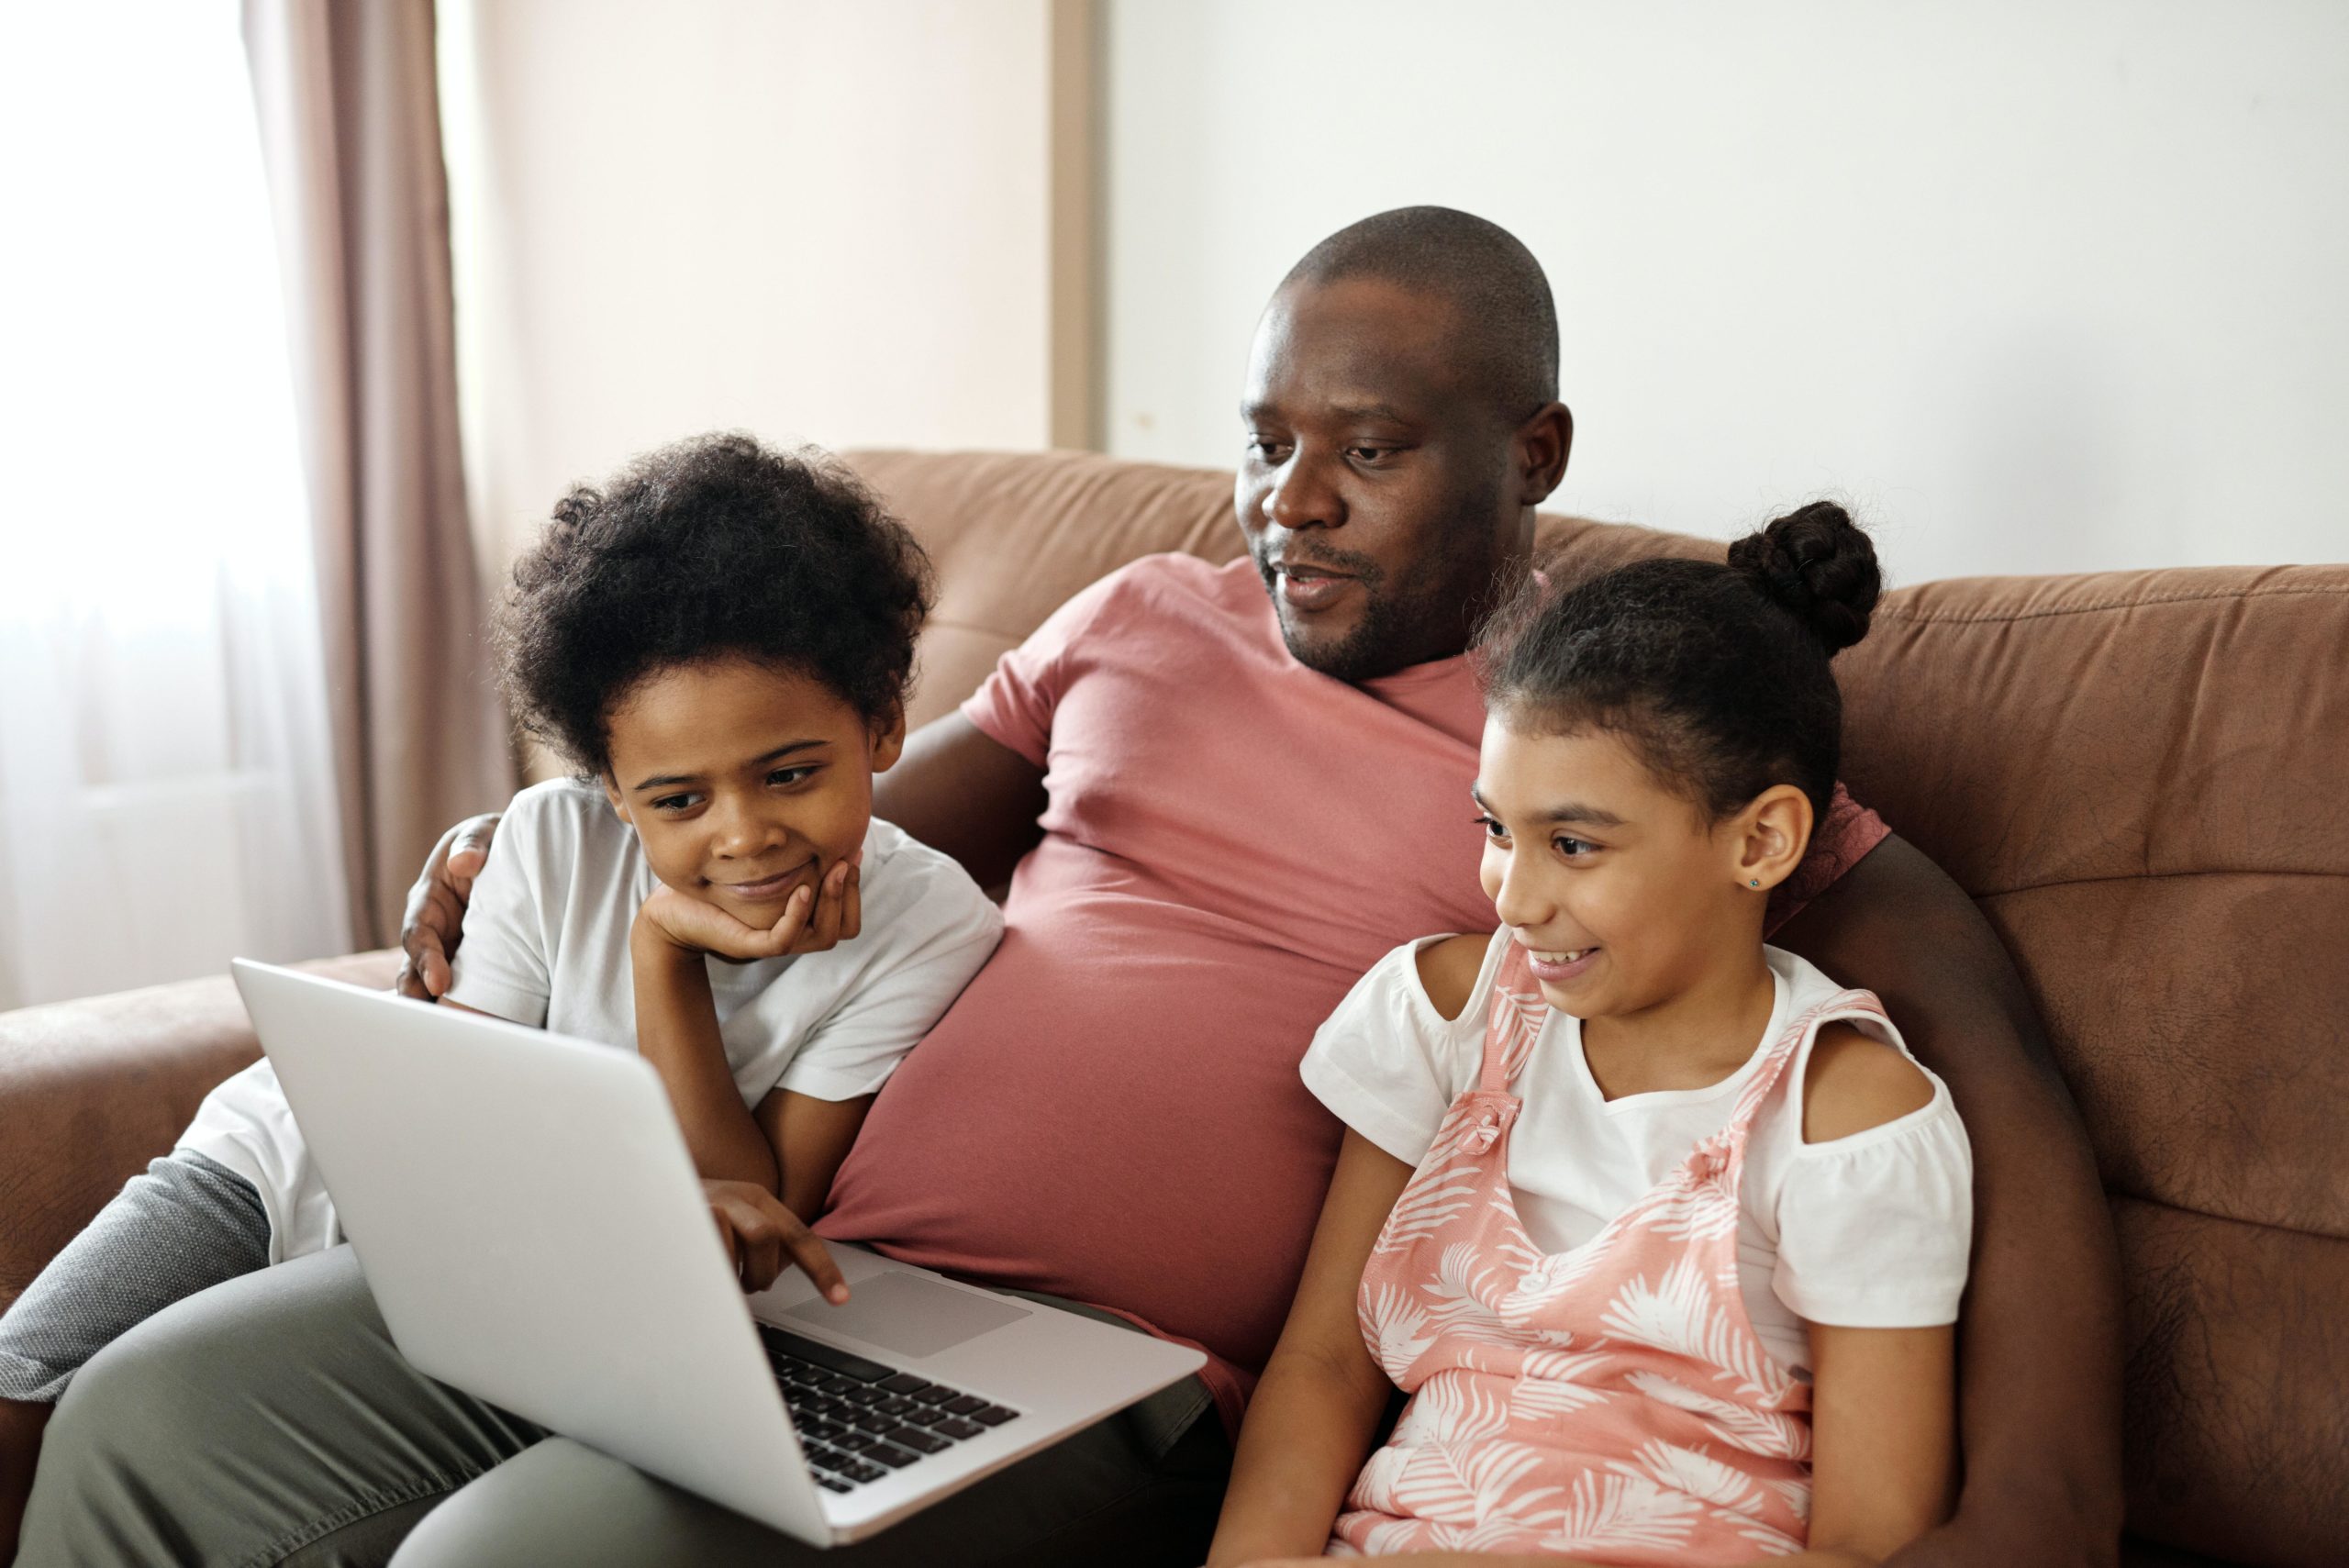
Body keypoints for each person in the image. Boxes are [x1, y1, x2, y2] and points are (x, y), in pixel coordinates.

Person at [6, 209, 2122, 1568]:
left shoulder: (1593, 741)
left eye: (1364, 450)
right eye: (1261, 438)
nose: (1283, 503)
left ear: (1530, 453)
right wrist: (558, 828)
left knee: (508, 1555)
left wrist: (2035, 1489)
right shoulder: (1140, 614)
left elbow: (1975, 1049)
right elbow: (815, 825)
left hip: (1092, 1388)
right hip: (778, 1261)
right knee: (151, 1414)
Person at [0, 433, 1002, 1562]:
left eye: (790, 772)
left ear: (880, 725)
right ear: (612, 792)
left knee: (150, 1422)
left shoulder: (928, 925)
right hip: (293, 1161)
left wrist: (661, 947)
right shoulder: (547, 837)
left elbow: (746, 1205)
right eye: (676, 797)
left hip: (473, 1268)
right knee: (17, 1389)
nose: (742, 831)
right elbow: (452, 1117)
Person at [1206, 504, 1973, 1565]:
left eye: (1572, 842)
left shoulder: (1846, 1120)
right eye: (1494, 828)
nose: (1514, 897)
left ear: (1760, 840)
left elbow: (1870, 1537)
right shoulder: (1442, 1015)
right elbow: (1326, 1364)